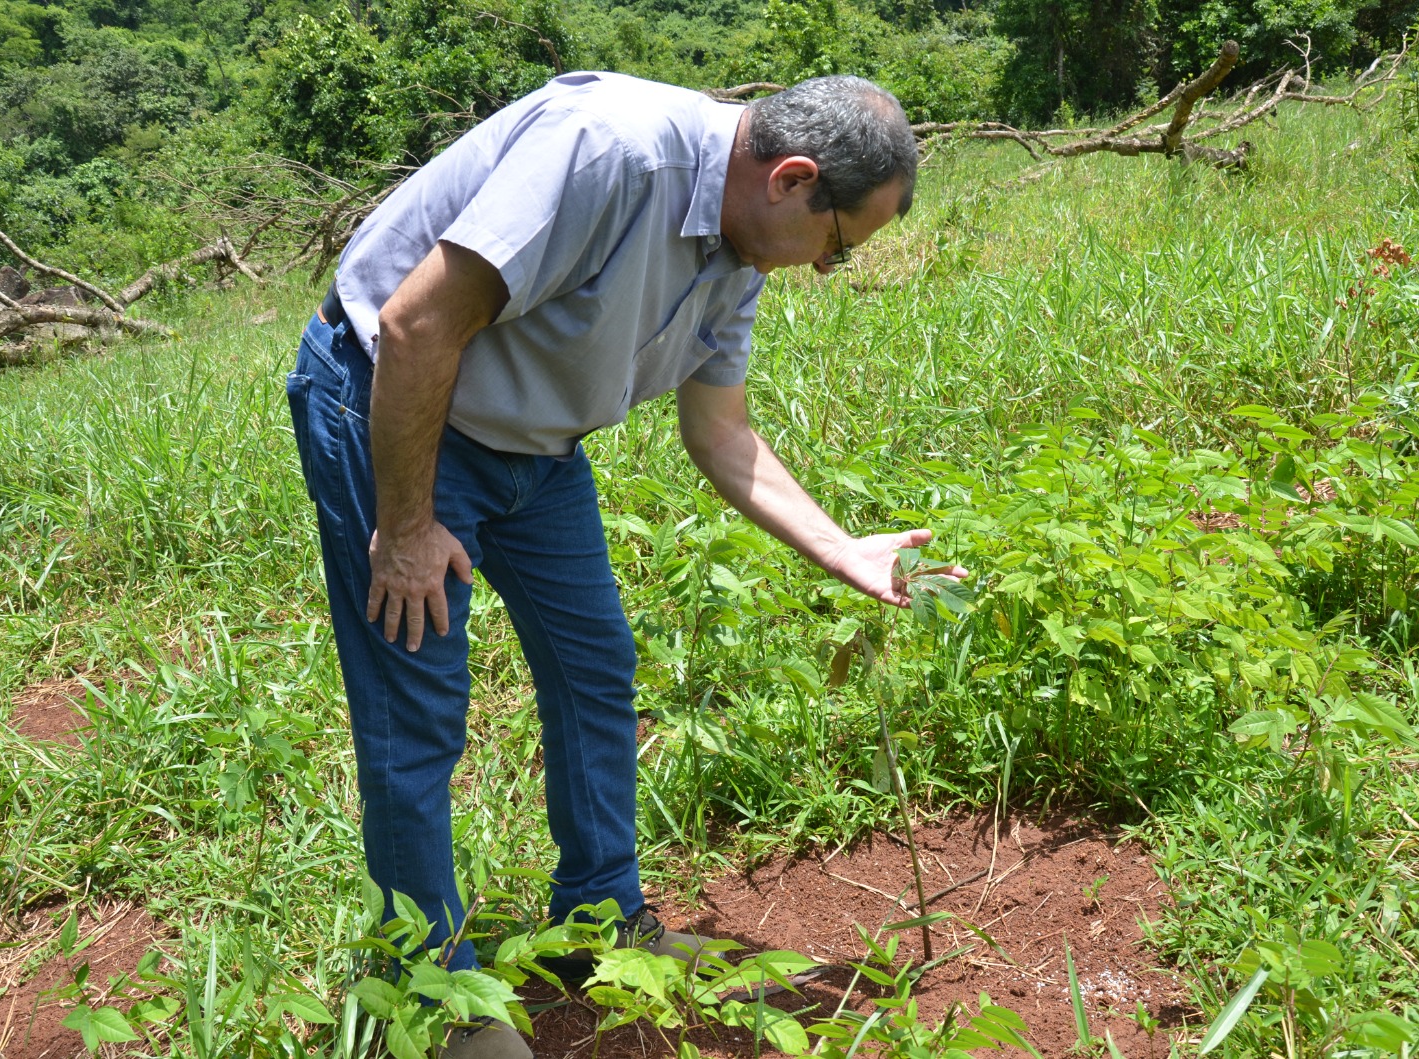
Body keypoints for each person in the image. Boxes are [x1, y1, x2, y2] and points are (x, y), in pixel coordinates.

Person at [286, 70, 963, 1058]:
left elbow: (720, 430)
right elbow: (415, 323)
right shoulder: (609, 152)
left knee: (594, 662)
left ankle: (599, 919)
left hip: (534, 448)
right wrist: (405, 527)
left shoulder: (741, 247)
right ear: (791, 179)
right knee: (418, 706)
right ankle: (427, 995)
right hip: (396, 408)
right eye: (838, 244)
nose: (826, 268)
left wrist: (836, 543)